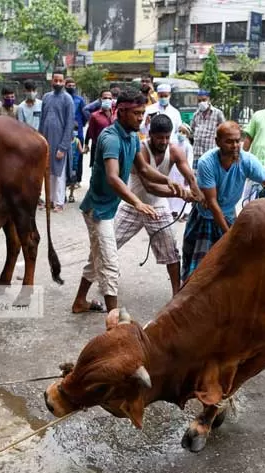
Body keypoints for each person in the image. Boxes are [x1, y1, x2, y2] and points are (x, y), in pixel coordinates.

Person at [71, 88, 185, 314]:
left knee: (97, 258)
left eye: (143, 113)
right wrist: (138, 203)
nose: (141, 118)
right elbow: (113, 177)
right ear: (121, 112)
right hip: (97, 210)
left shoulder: (132, 136)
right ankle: (115, 323)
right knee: (110, 263)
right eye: (137, 113)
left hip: (110, 208)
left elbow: (143, 168)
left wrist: (167, 180)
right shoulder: (110, 138)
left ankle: (80, 302)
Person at [181, 121, 265, 283]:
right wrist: (229, 235)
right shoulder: (206, 162)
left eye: (237, 140)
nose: (235, 145)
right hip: (206, 218)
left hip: (228, 215)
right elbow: (213, 203)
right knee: (198, 270)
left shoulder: (247, 160)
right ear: (218, 142)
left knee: (234, 265)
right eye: (229, 141)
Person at [115, 114, 202, 296]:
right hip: (134, 203)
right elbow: (150, 186)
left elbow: (190, 176)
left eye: (167, 137)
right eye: (159, 137)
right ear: (150, 135)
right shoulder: (141, 149)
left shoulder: (174, 150)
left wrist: (196, 192)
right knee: (108, 244)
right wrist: (181, 193)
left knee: (171, 251)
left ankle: (176, 293)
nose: (163, 141)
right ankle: (105, 277)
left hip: (158, 206)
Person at [39, 73, 76, 212]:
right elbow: (42, 120)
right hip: (46, 141)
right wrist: (40, 140)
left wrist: (63, 146)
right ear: (52, 81)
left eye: (61, 81)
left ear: (64, 82)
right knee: (47, 173)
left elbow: (69, 124)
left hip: (60, 142)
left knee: (59, 174)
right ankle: (49, 200)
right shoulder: (46, 97)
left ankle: (59, 202)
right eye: (56, 80)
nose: (58, 83)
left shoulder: (68, 99)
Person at [191, 89, 226, 170]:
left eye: (204, 100)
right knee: (197, 176)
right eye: (199, 101)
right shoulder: (196, 114)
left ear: (208, 99)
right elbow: (192, 130)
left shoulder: (217, 113)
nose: (201, 103)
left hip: (211, 152)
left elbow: (224, 129)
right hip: (197, 153)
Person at [65, 78, 89, 191]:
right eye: (69, 85)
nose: (71, 87)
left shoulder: (79, 100)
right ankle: (66, 179)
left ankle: (77, 179)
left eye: (73, 85)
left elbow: (85, 115)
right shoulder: (63, 98)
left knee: (78, 157)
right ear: (65, 86)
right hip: (65, 132)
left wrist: (79, 125)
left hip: (77, 132)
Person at [84, 88, 116, 169]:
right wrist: (87, 143)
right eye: (105, 98)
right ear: (100, 99)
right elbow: (91, 132)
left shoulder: (117, 114)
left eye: (109, 98)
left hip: (114, 148)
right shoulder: (95, 116)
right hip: (98, 148)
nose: (107, 100)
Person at [168, 123, 194, 221]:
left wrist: (188, 176)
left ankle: (186, 213)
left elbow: (189, 161)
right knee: (173, 191)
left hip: (183, 174)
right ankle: (173, 211)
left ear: (187, 135)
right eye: (179, 131)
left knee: (184, 192)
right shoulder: (173, 144)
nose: (181, 134)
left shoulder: (188, 146)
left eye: (183, 132)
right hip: (173, 172)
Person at [67, 122, 86, 204]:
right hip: (66, 163)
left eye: (76, 130)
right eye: (74, 130)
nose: (75, 132)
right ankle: (62, 195)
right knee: (65, 179)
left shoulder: (77, 140)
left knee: (73, 180)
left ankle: (71, 195)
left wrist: (86, 150)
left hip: (74, 164)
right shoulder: (66, 140)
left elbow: (81, 151)